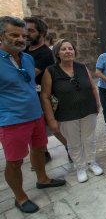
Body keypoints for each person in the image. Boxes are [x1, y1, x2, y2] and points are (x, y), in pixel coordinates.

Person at [0, 16, 66, 214]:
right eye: (14, 35)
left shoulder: (28, 58)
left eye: (23, 35)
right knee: (15, 161)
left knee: (39, 149)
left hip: (35, 114)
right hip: (12, 120)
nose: (21, 39)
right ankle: (20, 197)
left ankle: (43, 179)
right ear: (1, 36)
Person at [41, 39, 103, 183]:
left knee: (89, 139)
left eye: (70, 48)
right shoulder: (51, 71)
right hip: (67, 113)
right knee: (73, 142)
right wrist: (51, 119)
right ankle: (80, 167)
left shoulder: (82, 67)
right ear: (57, 53)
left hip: (88, 110)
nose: (68, 51)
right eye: (63, 49)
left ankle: (91, 162)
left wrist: (97, 103)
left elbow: (93, 87)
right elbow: (45, 96)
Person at [23, 16, 71, 164]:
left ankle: (70, 148)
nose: (26, 34)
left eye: (31, 31)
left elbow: (28, 75)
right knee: (36, 128)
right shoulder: (25, 50)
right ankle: (43, 153)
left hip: (44, 95)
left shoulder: (45, 53)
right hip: (29, 96)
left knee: (53, 126)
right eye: (26, 30)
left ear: (42, 33)